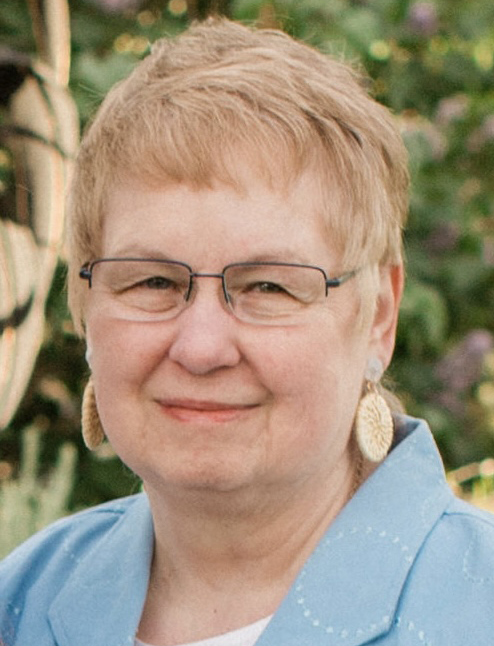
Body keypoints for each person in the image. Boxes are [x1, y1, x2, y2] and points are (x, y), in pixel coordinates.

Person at [1, 17, 494, 646]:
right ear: (84, 306)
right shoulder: (21, 602)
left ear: (378, 315)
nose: (201, 347)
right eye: (152, 282)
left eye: (269, 287)